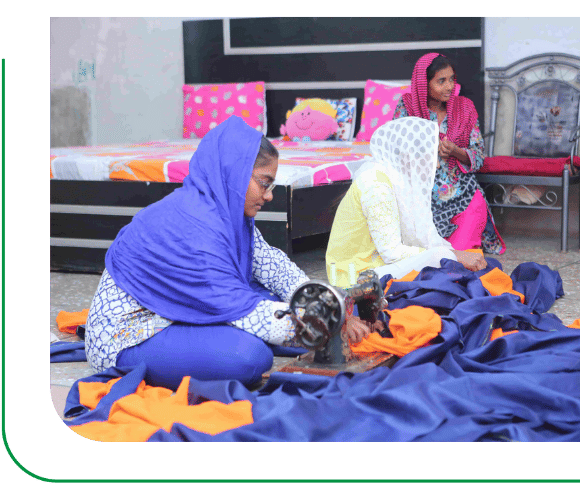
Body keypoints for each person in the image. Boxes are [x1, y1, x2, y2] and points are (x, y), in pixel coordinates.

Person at [85, 116, 374, 390]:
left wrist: (325, 303)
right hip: (130, 335)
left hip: (177, 310)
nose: (269, 195)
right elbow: (244, 309)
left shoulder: (226, 213)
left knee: (286, 304)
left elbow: (274, 268)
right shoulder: (191, 226)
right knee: (249, 356)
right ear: (233, 174)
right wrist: (331, 324)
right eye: (264, 183)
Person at [326, 117, 488, 289]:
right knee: (442, 259)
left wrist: (453, 255)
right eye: (432, 156)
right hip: (354, 277)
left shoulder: (395, 179)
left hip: (377, 264)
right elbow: (392, 253)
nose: (437, 166)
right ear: (411, 156)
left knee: (452, 261)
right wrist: (452, 255)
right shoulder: (376, 185)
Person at [393, 52, 505, 254]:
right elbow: (395, 151)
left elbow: (479, 156)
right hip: (421, 202)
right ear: (424, 84)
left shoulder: (465, 108)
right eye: (441, 81)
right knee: (425, 255)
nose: (450, 86)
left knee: (458, 254)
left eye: (452, 79)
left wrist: (456, 151)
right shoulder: (408, 107)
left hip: (465, 196)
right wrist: (425, 151)